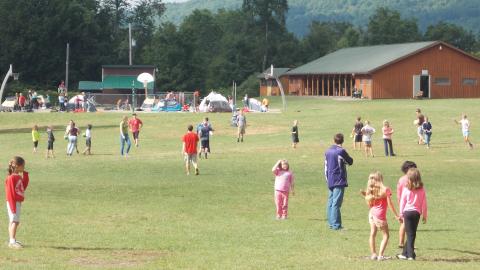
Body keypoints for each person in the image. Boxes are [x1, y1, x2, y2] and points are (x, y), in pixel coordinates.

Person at [360, 171, 401, 261]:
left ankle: (373, 254)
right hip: (380, 215)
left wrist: (364, 194)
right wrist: (396, 215)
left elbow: (369, 203)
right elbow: (390, 204)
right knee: (386, 235)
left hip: (372, 213)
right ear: (380, 179)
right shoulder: (385, 189)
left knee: (372, 234)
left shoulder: (370, 189)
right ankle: (380, 256)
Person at [397, 168, 428, 261]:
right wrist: (425, 215)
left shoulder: (406, 189)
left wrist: (401, 213)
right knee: (411, 234)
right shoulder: (422, 189)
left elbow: (403, 201)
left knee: (411, 234)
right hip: (416, 214)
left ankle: (407, 254)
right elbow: (424, 203)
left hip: (407, 213)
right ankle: (409, 254)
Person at [324, 133, 353, 230]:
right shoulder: (341, 151)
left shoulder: (327, 151)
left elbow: (326, 166)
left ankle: (331, 223)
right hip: (339, 180)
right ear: (343, 140)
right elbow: (350, 161)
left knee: (330, 202)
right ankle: (336, 225)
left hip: (330, 179)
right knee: (336, 203)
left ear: (334, 140)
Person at [5, 156, 29, 249]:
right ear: (18, 166)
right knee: (15, 221)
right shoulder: (11, 178)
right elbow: (9, 193)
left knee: (14, 221)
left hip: (16, 202)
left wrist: (25, 176)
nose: (24, 167)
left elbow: (22, 187)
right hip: (13, 203)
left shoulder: (18, 176)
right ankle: (12, 241)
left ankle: (12, 239)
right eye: (23, 166)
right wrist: (13, 206)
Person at [396, 161, 417, 249]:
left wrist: (399, 203)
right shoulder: (412, 179)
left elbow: (398, 193)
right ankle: (403, 242)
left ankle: (403, 242)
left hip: (403, 203)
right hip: (410, 204)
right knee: (407, 224)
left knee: (405, 223)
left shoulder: (401, 179)